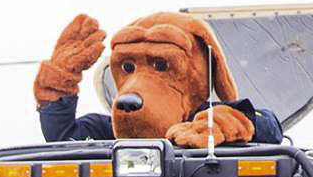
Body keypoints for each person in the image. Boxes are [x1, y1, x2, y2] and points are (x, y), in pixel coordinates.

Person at [33, 12, 282, 148]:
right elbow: (64, 139)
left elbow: (269, 127)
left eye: (161, 65)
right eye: (128, 67)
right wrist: (58, 85)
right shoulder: (112, 132)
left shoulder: (204, 120)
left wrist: (228, 124)